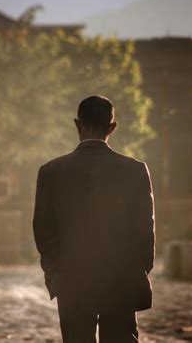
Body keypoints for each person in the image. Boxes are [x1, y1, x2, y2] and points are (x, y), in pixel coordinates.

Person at [33, 95, 155, 342]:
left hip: (72, 281)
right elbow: (145, 230)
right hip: (121, 280)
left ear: (78, 125)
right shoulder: (134, 170)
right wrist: (138, 271)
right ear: (112, 127)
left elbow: (43, 232)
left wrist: (56, 274)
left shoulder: (51, 172)